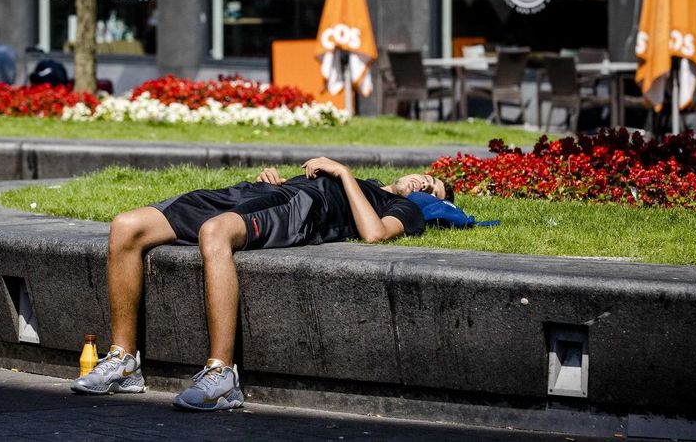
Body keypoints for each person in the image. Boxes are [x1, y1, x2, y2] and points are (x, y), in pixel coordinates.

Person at [70, 157, 453, 410]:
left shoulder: (406, 207)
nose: (426, 181)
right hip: (262, 192)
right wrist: (276, 179)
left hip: (299, 211)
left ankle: (221, 375)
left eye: (434, 187)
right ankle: (123, 362)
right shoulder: (372, 185)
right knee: (126, 226)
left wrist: (342, 173)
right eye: (428, 176)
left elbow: (374, 234)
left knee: (214, 233)